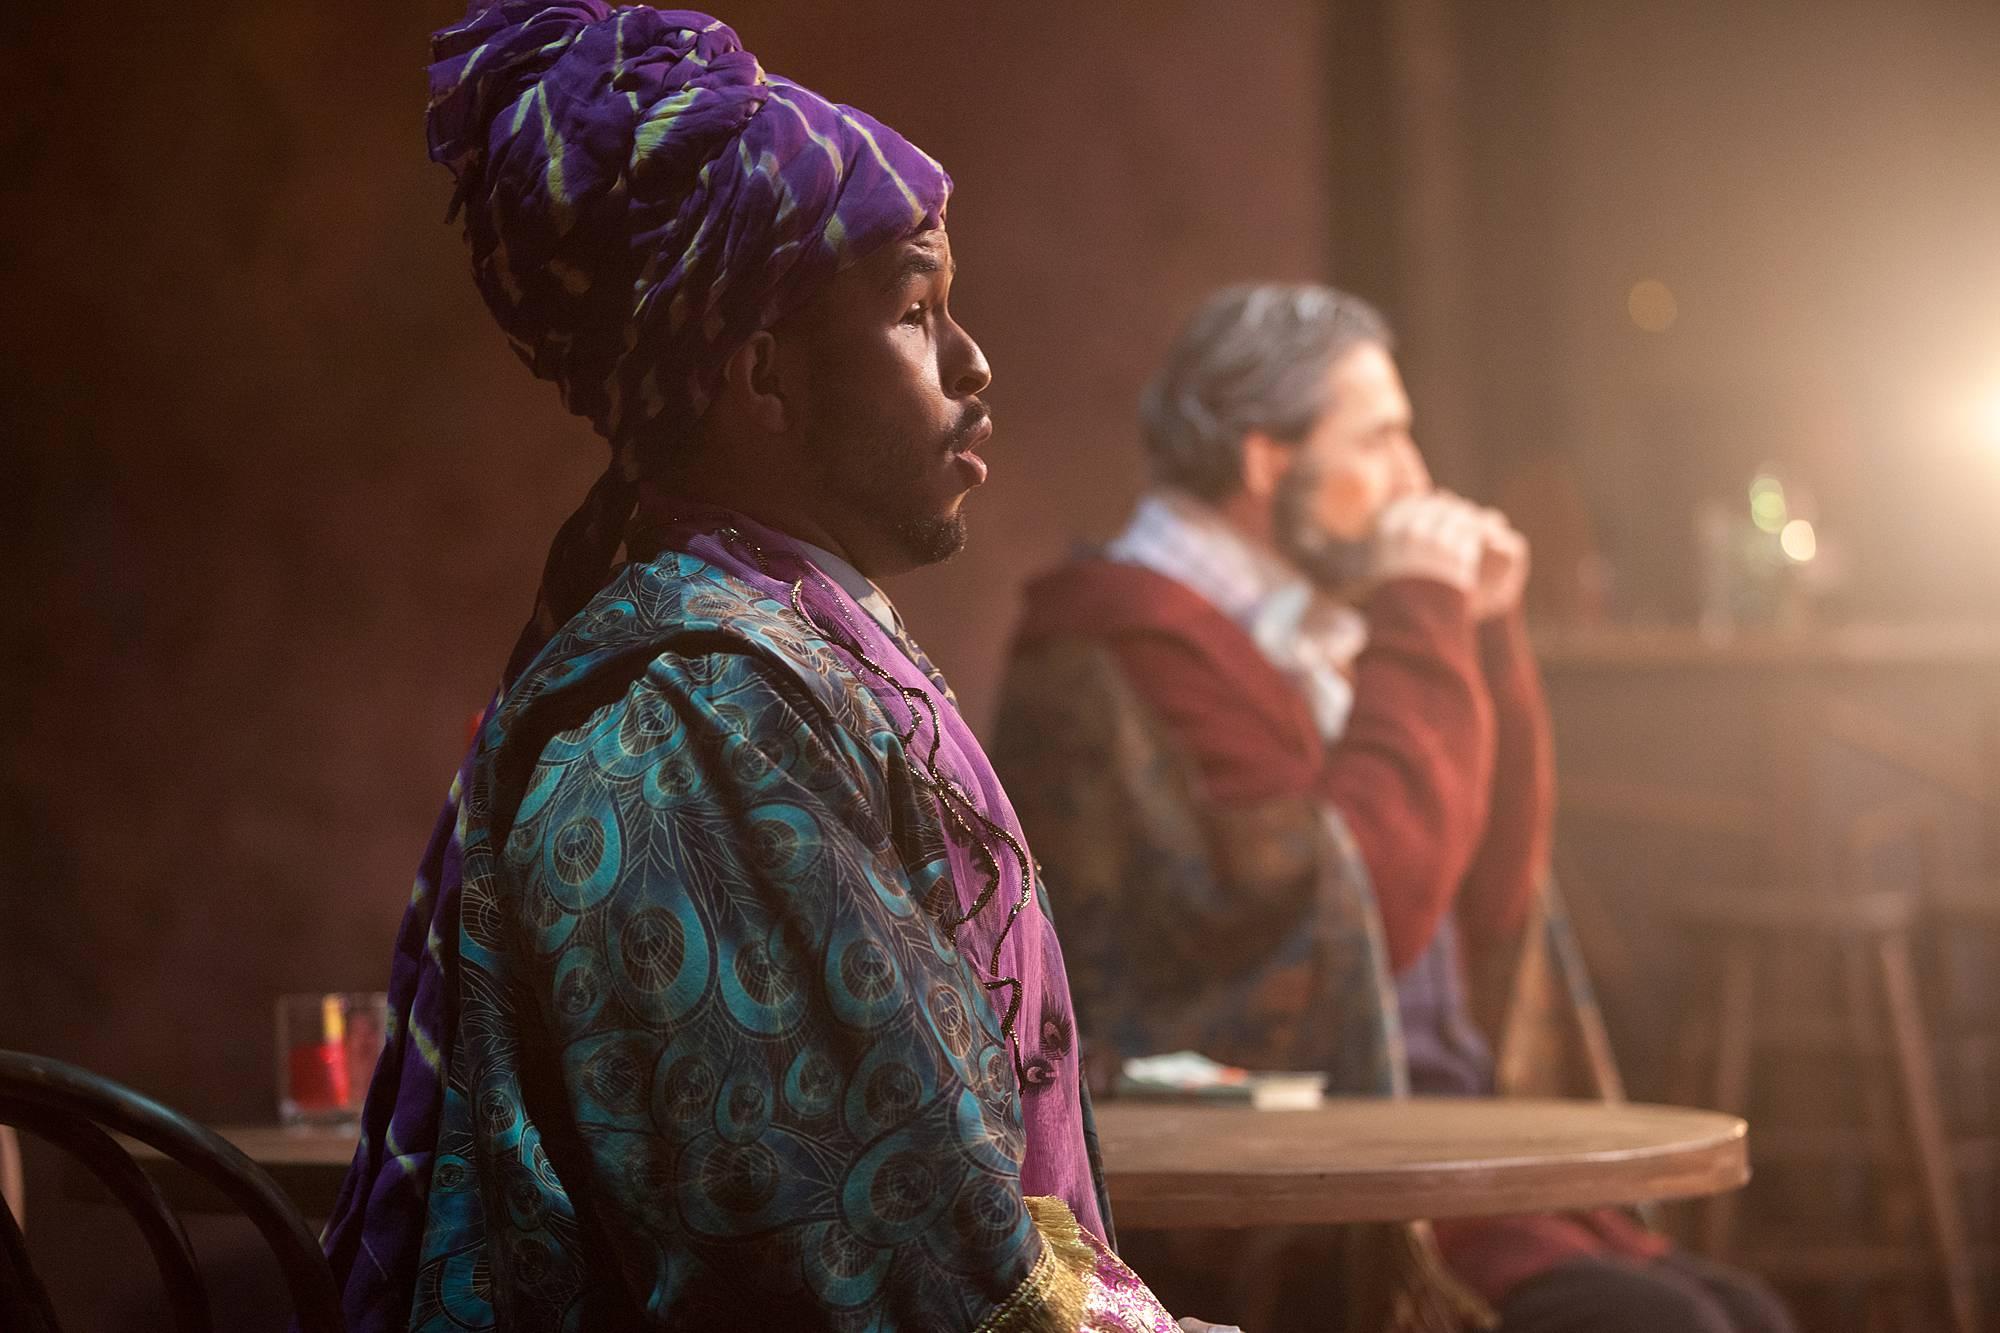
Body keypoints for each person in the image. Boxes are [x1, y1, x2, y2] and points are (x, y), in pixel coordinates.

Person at [316, 6, 1222, 1329]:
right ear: (760, 379)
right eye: (916, 312)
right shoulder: (696, 724)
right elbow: (885, 1254)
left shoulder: (793, 650)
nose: (973, 363)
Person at [992, 284, 1795, 1333]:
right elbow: (1376, 900)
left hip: (1428, 1145)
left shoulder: (1296, 627)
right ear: (1265, 461)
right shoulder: (1135, 640)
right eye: (1377, 439)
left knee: (1737, 1308)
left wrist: (1482, 631)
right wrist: (1421, 607)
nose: (1413, 478)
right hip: (1306, 1192)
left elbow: (1487, 893)